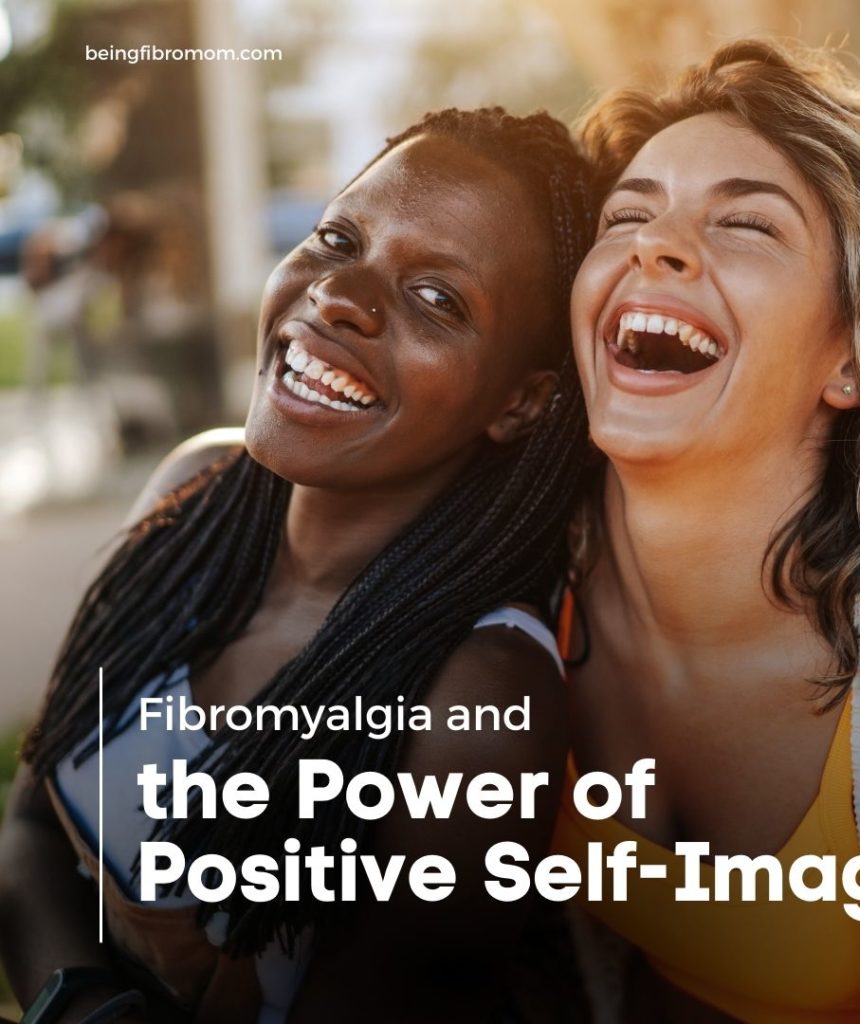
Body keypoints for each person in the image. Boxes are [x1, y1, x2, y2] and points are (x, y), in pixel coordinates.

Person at [0, 107, 595, 1024]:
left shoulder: (482, 698)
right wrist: (87, 1004)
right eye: (336, 237)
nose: (341, 294)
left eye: (438, 298)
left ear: (520, 403)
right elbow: (29, 830)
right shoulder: (193, 490)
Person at [553, 40, 860, 1024]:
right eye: (626, 214)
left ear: (851, 360)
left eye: (745, 226)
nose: (655, 244)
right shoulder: (510, 581)